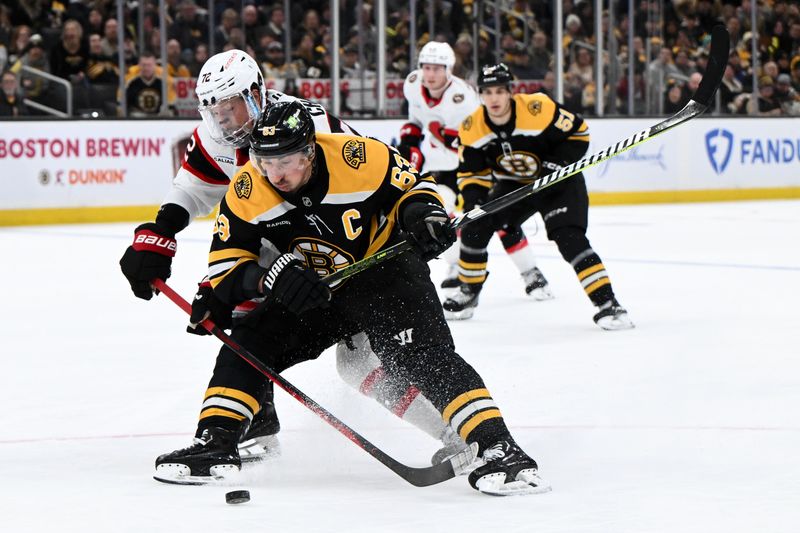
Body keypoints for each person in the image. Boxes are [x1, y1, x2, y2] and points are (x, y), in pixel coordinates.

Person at [153, 101, 551, 496]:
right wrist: (269, 277)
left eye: (287, 161)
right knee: (249, 342)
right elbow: (226, 263)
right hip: (315, 288)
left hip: (385, 274)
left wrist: (423, 217)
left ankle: (499, 447)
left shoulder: (358, 156)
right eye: (265, 162)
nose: (275, 174)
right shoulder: (247, 188)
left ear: (310, 150)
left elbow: (413, 189)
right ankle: (216, 443)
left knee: (421, 354)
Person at [119, 49, 358, 462]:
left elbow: (366, 174)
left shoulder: (309, 125)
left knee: (366, 358)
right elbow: (192, 189)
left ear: (255, 94)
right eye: (216, 111)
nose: (224, 120)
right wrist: (159, 233)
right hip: (278, 243)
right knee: (243, 308)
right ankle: (256, 421)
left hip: (342, 243)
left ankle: (457, 424)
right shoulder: (216, 138)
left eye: (230, 107)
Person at [443, 63, 633, 330]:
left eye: (499, 91)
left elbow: (578, 133)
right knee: (476, 224)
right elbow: (472, 174)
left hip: (559, 183)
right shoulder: (472, 127)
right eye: (487, 92)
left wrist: (555, 166)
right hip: (515, 187)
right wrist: (474, 201)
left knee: (569, 239)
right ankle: (468, 291)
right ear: (481, 95)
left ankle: (608, 304)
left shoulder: (538, 108)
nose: (494, 98)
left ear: (510, 92)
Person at [398, 41, 552, 298]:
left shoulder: (464, 97)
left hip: (473, 167)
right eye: (426, 67)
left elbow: (480, 136)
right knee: (436, 217)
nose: (431, 74)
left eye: (437, 68)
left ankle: (531, 272)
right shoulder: (413, 83)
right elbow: (416, 119)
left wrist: (448, 137)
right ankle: (457, 266)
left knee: (498, 218)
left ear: (449, 69)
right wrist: (409, 141)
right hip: (440, 167)